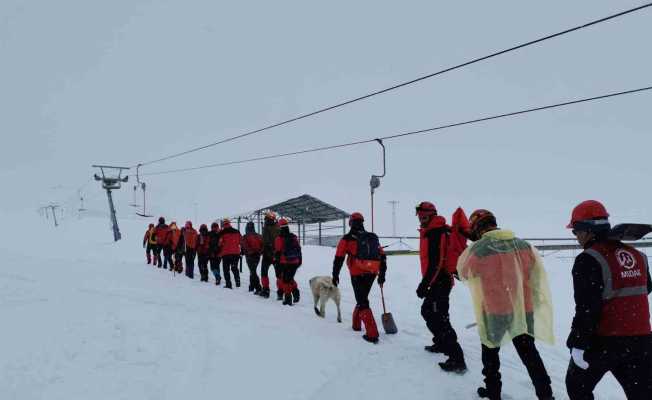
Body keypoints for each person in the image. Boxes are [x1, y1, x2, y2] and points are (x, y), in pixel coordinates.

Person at [457, 209, 555, 400]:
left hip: (495, 311)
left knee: (491, 354)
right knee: (530, 355)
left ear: (476, 228)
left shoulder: (479, 249)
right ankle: (546, 395)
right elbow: (534, 272)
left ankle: (494, 393)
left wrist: (476, 245)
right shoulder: (523, 245)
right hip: (523, 309)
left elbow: (465, 273)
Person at [564, 200, 652, 400]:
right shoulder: (638, 255)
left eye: (575, 231)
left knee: (577, 386)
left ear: (587, 230)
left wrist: (578, 343)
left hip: (604, 341)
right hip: (641, 341)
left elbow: (587, 309)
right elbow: (646, 287)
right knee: (643, 394)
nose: (576, 237)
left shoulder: (588, 259)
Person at [415, 201, 467, 372]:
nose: (421, 219)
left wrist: (424, 285)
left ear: (431, 215)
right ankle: (441, 343)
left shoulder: (436, 232)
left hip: (440, 281)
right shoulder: (433, 231)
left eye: (423, 216)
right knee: (429, 312)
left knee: (441, 318)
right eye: (419, 216)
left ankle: (457, 359)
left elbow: (436, 263)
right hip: (437, 280)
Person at [332, 212, 386, 343]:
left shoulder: (347, 238)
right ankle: (356, 324)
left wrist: (335, 274)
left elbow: (339, 258)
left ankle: (372, 334)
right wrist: (382, 275)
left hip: (357, 273)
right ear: (362, 222)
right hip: (372, 272)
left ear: (350, 223)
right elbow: (382, 256)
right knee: (362, 297)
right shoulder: (371, 237)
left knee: (362, 300)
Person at [274, 218, 302, 306]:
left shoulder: (279, 238)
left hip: (285, 262)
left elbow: (278, 252)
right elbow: (299, 249)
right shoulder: (294, 236)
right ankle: (296, 293)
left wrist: (277, 264)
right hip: (295, 261)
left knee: (285, 280)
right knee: (289, 279)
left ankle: (287, 299)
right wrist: (300, 260)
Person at [260, 212, 281, 299]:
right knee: (279, 275)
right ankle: (280, 292)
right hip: (277, 254)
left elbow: (265, 241)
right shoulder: (278, 227)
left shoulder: (266, 228)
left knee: (264, 273)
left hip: (267, 254)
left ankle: (265, 290)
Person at [219, 218, 242, 289]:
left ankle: (228, 284)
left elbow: (220, 243)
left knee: (226, 269)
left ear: (223, 224)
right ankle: (237, 282)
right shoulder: (237, 231)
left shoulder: (222, 233)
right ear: (229, 223)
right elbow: (240, 241)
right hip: (235, 253)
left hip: (226, 253)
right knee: (234, 267)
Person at [241, 221, 264, 294]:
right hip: (257, 255)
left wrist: (246, 252)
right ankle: (251, 286)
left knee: (253, 271)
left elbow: (244, 246)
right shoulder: (259, 235)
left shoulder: (245, 236)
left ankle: (258, 288)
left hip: (250, 256)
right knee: (253, 270)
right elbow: (263, 245)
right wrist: (260, 252)